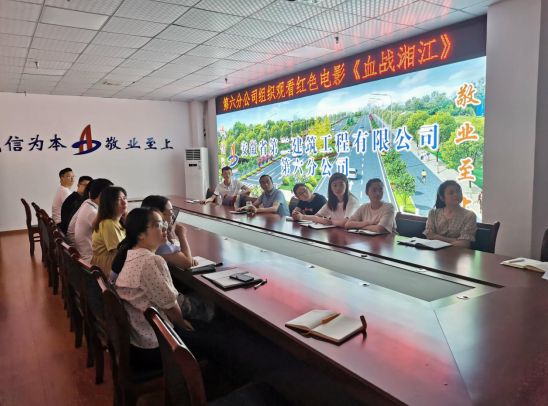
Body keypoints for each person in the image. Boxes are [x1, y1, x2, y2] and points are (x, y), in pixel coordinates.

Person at [114, 207, 213, 369]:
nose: (165, 227)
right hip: (159, 346)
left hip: (139, 341)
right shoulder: (151, 261)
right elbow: (170, 306)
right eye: (158, 225)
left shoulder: (132, 254)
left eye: (163, 223)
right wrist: (181, 325)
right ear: (141, 234)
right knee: (216, 339)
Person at [140, 195, 198, 269]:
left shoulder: (143, 234)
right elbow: (187, 263)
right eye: (170, 213)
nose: (174, 216)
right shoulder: (157, 240)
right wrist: (182, 236)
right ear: (158, 215)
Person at [68, 179, 113, 260]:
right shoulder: (92, 212)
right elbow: (109, 237)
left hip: (83, 252)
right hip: (90, 259)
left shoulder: (88, 204)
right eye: (112, 194)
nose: (114, 197)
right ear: (102, 194)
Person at [424, 180, 477, 248]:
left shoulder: (469, 216)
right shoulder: (433, 213)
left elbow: (464, 243)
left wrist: (439, 242)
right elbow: (429, 235)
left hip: (458, 253)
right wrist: (453, 240)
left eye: (458, 191)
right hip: (435, 252)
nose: (456, 195)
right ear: (442, 198)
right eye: (451, 193)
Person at [91, 186, 127, 276]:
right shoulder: (107, 224)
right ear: (109, 203)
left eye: (124, 198)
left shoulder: (119, 222)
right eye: (119, 199)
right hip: (108, 270)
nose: (124, 202)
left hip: (114, 266)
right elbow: (119, 252)